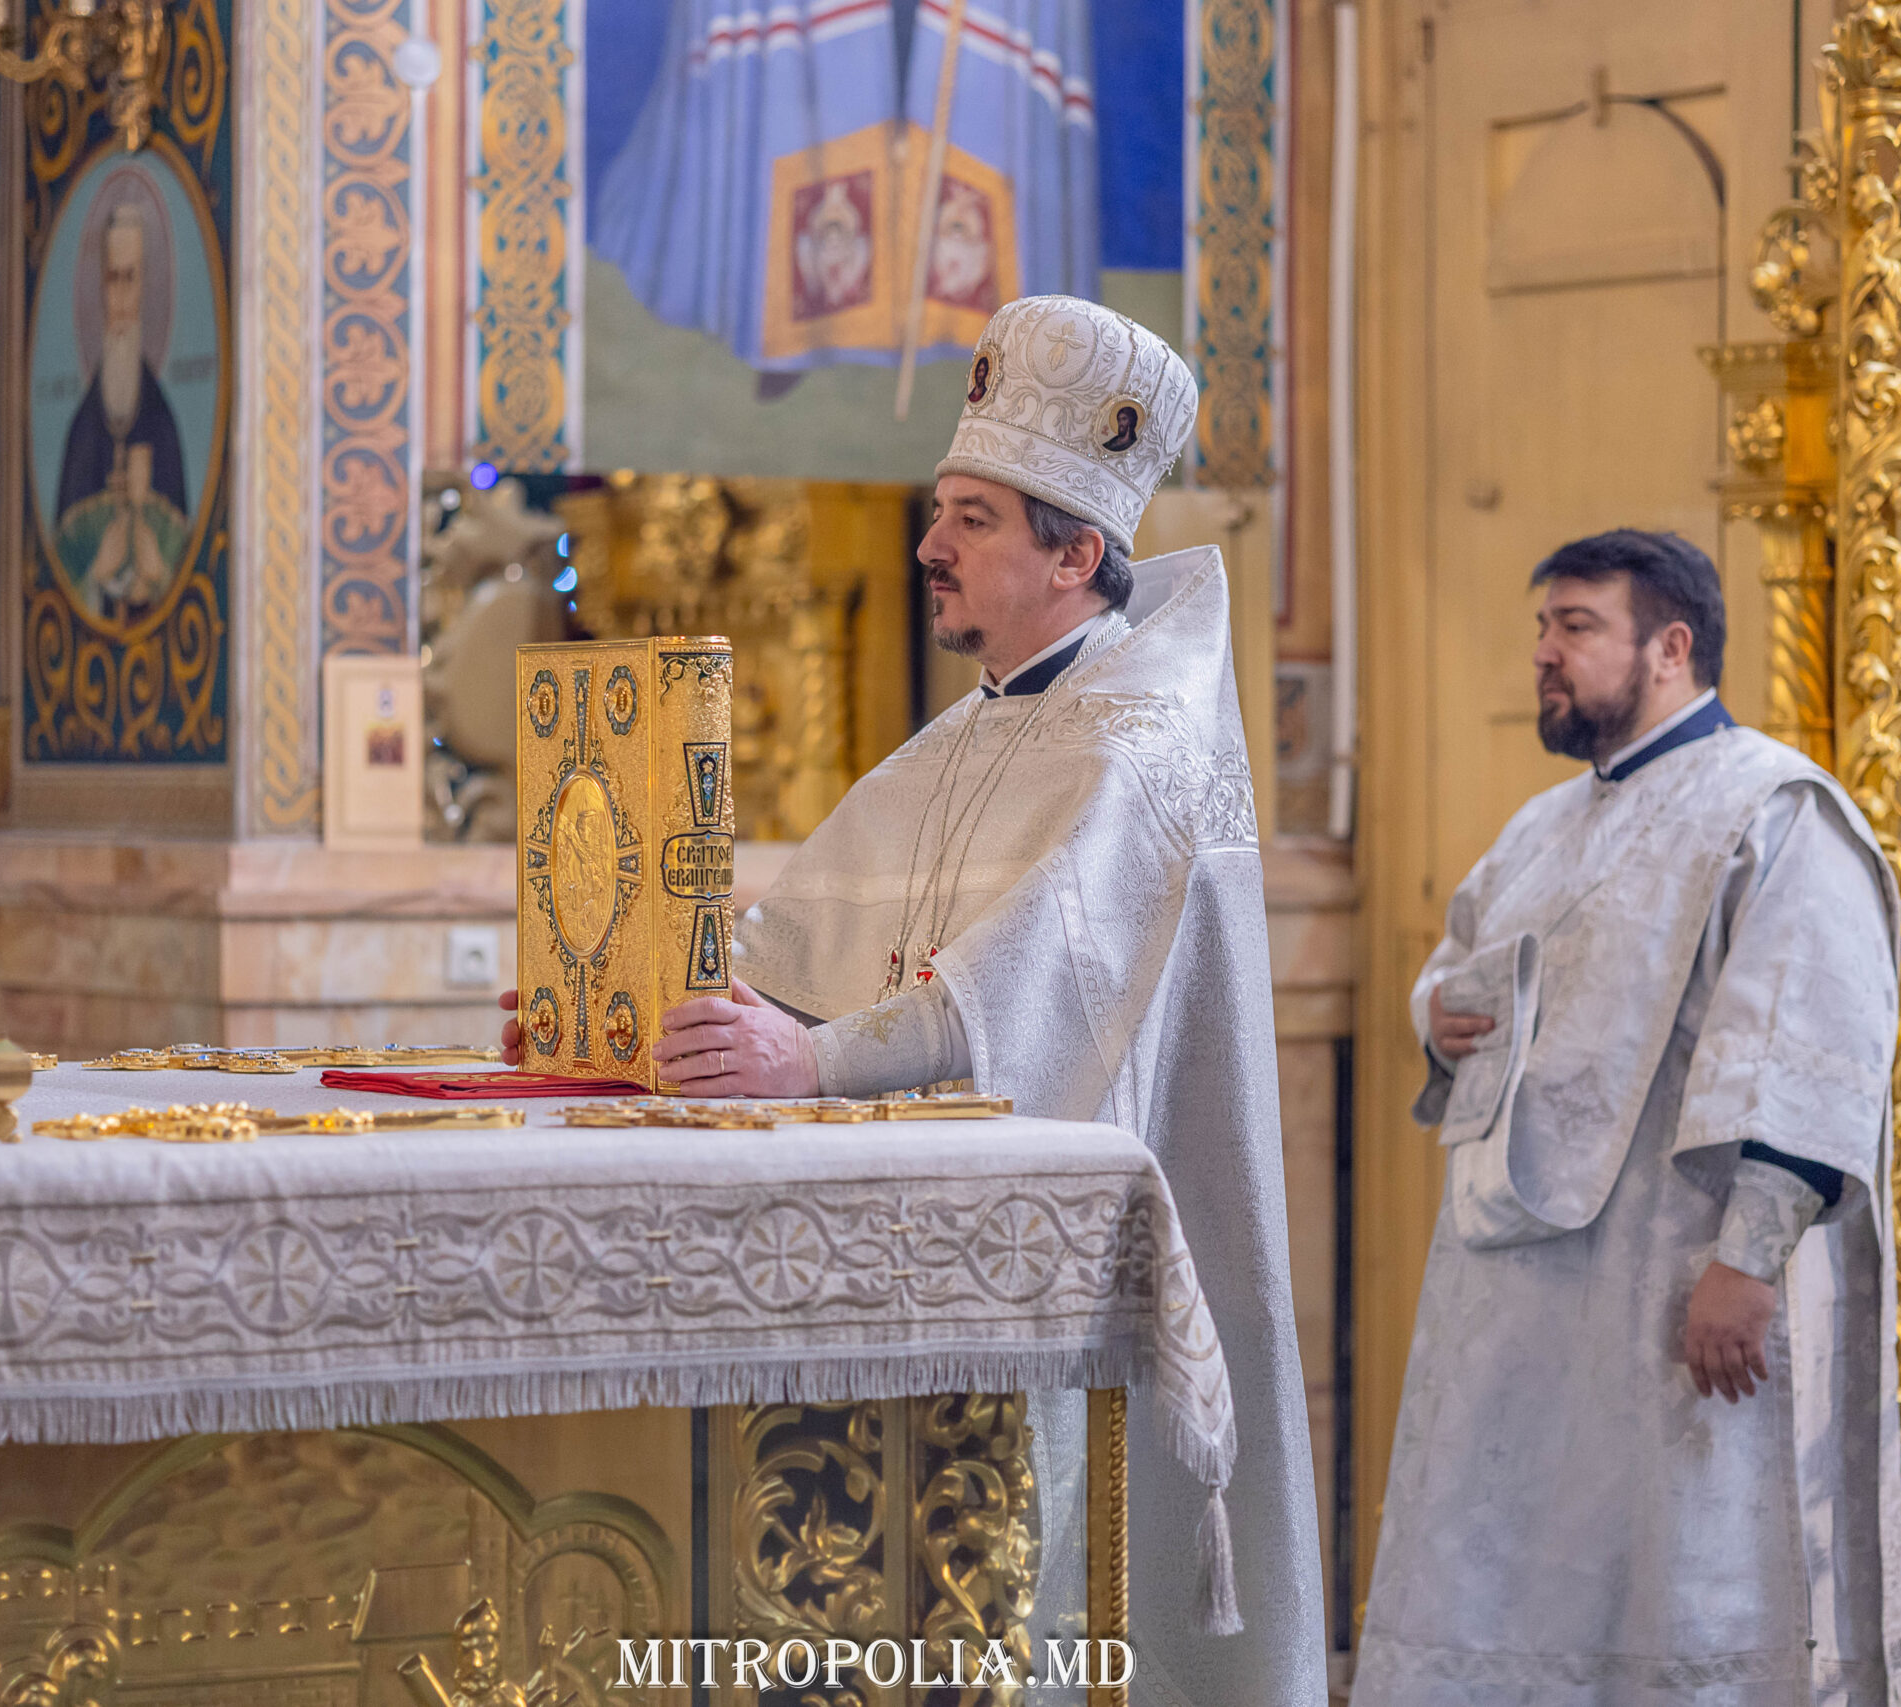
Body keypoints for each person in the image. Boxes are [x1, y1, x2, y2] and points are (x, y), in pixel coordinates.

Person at [499, 294, 1326, 1705]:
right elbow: (792, 960)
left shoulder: (1136, 739)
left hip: (1050, 1265)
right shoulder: (970, 731)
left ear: (1076, 553)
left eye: (972, 519)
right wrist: (616, 1020)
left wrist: (804, 1062)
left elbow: (1020, 991)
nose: (930, 544)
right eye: (940, 511)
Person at [1351, 530, 1901, 1707]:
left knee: (1681, 1575)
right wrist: (1433, 1014)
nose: (1543, 654)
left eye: (1576, 627)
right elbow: (1461, 968)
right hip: (1521, 1304)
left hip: (1679, 1283)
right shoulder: (1541, 827)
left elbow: (1805, 1038)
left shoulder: (1773, 807)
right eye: (1542, 628)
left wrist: (1745, 1261)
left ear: (1670, 646)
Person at [55, 205, 189, 537]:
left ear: (143, 286)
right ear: (102, 287)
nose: (121, 296)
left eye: (130, 278)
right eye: (113, 279)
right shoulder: (82, 430)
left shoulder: (163, 424)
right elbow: (66, 543)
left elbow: (177, 538)